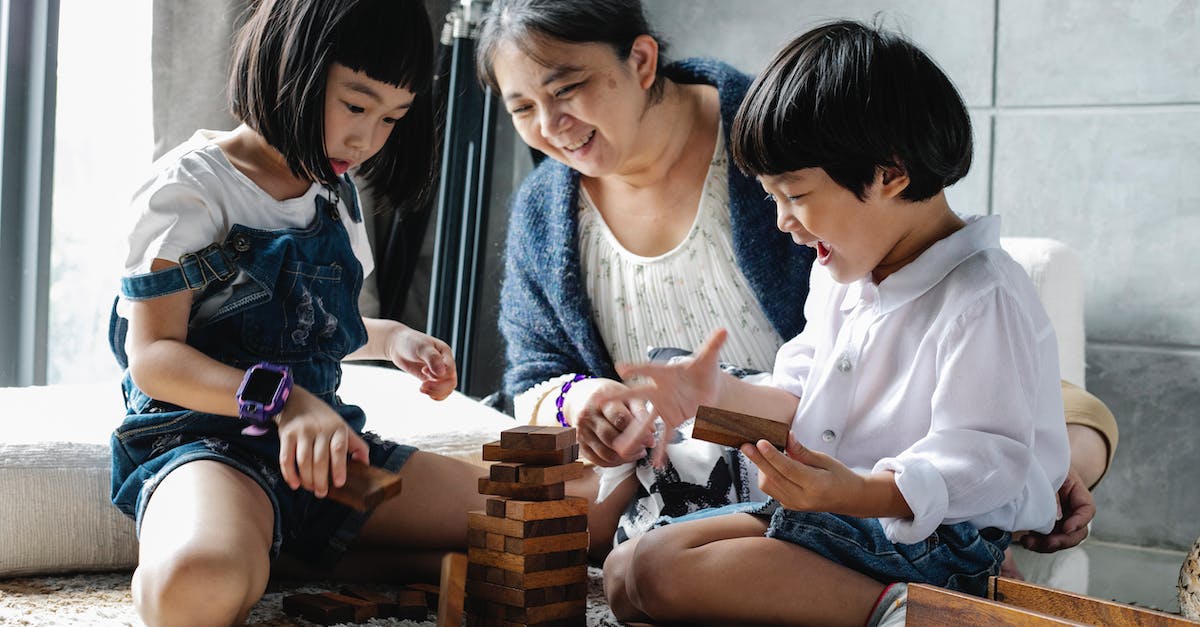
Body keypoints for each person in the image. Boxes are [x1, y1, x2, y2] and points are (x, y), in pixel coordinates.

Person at [477, 0, 1117, 568]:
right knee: (601, 548)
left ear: (641, 61)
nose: (550, 124)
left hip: (837, 475)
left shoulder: (787, 139)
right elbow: (536, 377)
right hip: (735, 442)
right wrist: (627, 397)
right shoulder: (546, 212)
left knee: (656, 565)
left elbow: (982, 424)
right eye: (522, 107)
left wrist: (1053, 466)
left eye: (568, 88)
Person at [597, 21, 1072, 625]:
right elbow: (798, 399)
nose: (782, 222)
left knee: (662, 571)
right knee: (626, 572)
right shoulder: (840, 277)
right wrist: (708, 393)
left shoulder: (983, 294)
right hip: (840, 514)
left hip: (934, 539)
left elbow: (986, 462)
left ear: (890, 173)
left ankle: (925, 616)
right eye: (772, 198)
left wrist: (851, 491)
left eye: (794, 194)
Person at [107, 1, 485, 624]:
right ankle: (259, 546)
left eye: (393, 117)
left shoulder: (333, 194)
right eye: (356, 105)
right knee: (195, 585)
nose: (365, 139)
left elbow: (319, 327)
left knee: (542, 521)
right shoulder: (189, 188)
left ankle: (290, 553)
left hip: (323, 454)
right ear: (291, 63)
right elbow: (153, 359)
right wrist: (283, 400)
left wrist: (394, 341)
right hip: (206, 446)